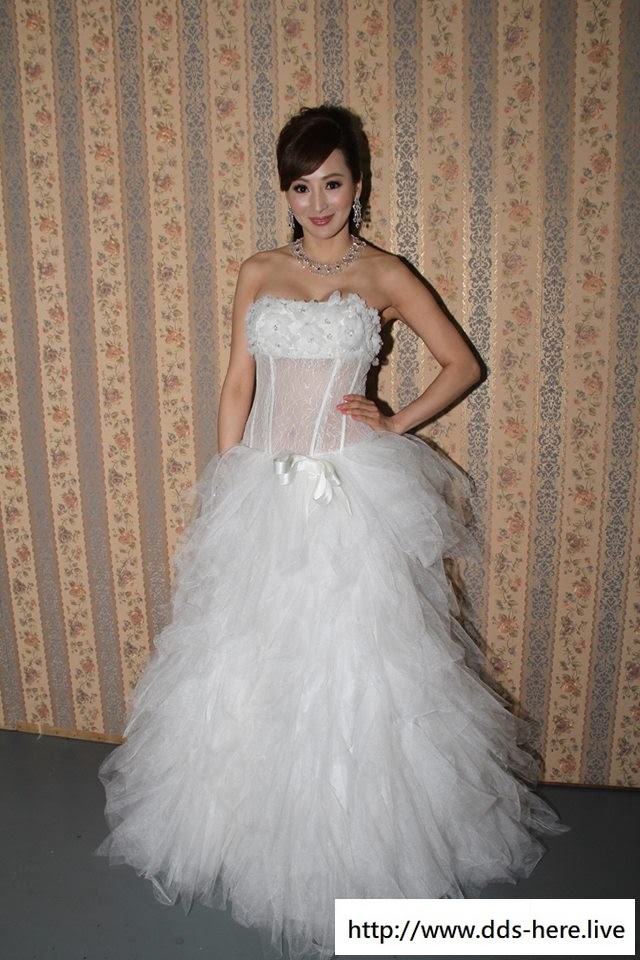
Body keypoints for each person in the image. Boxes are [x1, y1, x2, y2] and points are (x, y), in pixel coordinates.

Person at [96, 105, 565, 960]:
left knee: (358, 667)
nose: (318, 203)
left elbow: (463, 363)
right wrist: (228, 479)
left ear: (359, 185)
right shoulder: (259, 269)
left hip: (351, 494)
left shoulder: (385, 274)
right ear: (285, 192)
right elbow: (236, 384)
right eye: (301, 187)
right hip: (263, 490)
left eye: (333, 184)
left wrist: (395, 421)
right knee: (247, 662)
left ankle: (353, 845)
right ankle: (248, 831)